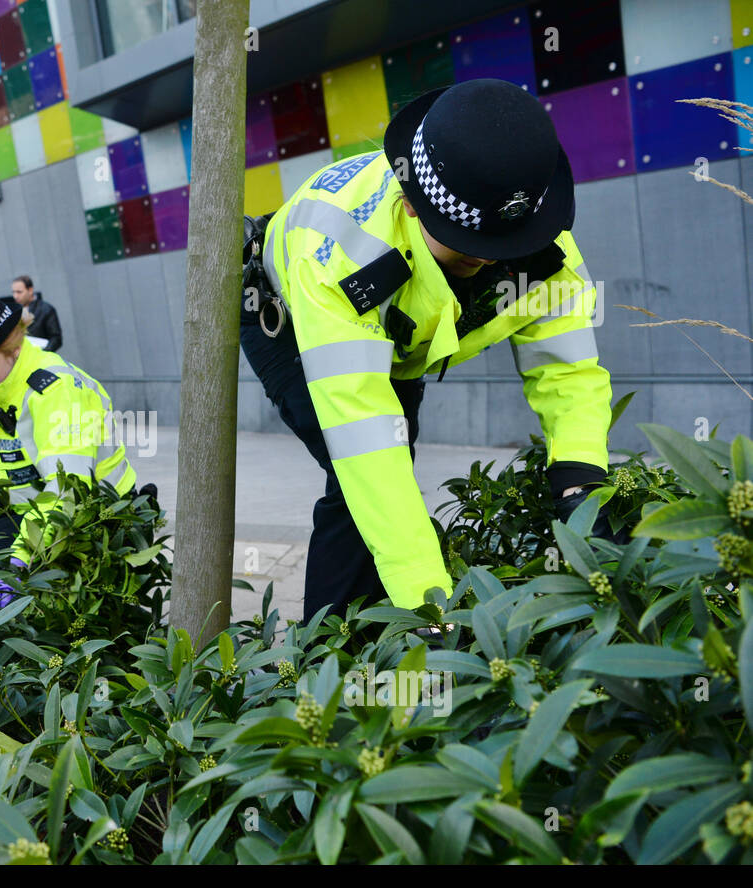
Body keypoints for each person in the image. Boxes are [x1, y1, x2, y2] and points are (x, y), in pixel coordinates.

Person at [240, 78, 614, 623]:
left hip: (399, 338)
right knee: (359, 480)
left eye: (503, 246)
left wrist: (581, 485)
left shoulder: (535, 231)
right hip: (287, 316)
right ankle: (325, 654)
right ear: (412, 204)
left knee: (393, 463)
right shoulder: (343, 258)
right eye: (470, 248)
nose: (491, 261)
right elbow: (366, 443)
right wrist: (433, 606)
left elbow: (570, 373)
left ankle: (374, 621)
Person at [0, 291, 138, 576]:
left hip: (95, 518)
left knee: (6, 563)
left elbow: (67, 490)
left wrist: (21, 558)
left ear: (13, 348)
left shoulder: (57, 389)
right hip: (30, 509)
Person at [11, 275, 62, 352]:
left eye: (19, 292)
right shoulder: (14, 311)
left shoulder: (46, 309)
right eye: (13, 292)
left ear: (30, 290)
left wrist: (43, 352)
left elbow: (56, 338)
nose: (15, 296)